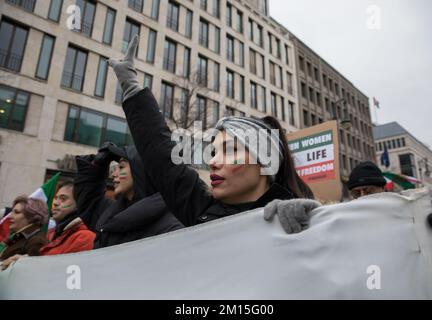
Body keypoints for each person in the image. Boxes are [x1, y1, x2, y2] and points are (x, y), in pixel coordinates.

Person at [107, 35, 318, 232]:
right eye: (214, 152)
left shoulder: (297, 220)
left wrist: (314, 225)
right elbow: (162, 157)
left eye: (230, 150)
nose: (214, 162)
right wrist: (132, 89)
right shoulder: (201, 211)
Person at [74, 143, 184, 249]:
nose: (114, 174)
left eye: (121, 167)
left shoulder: (172, 229)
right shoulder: (111, 212)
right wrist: (96, 167)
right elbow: (88, 201)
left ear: (140, 171)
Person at [39, 181, 96, 256]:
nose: (55, 203)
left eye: (63, 199)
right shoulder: (49, 233)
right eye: (55, 198)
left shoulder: (85, 237)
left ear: (78, 203)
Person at [0, 196, 48, 269]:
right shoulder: (18, 236)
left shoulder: (37, 240)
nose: (10, 216)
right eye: (12, 212)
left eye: (16, 212)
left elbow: (32, 271)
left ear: (31, 217)